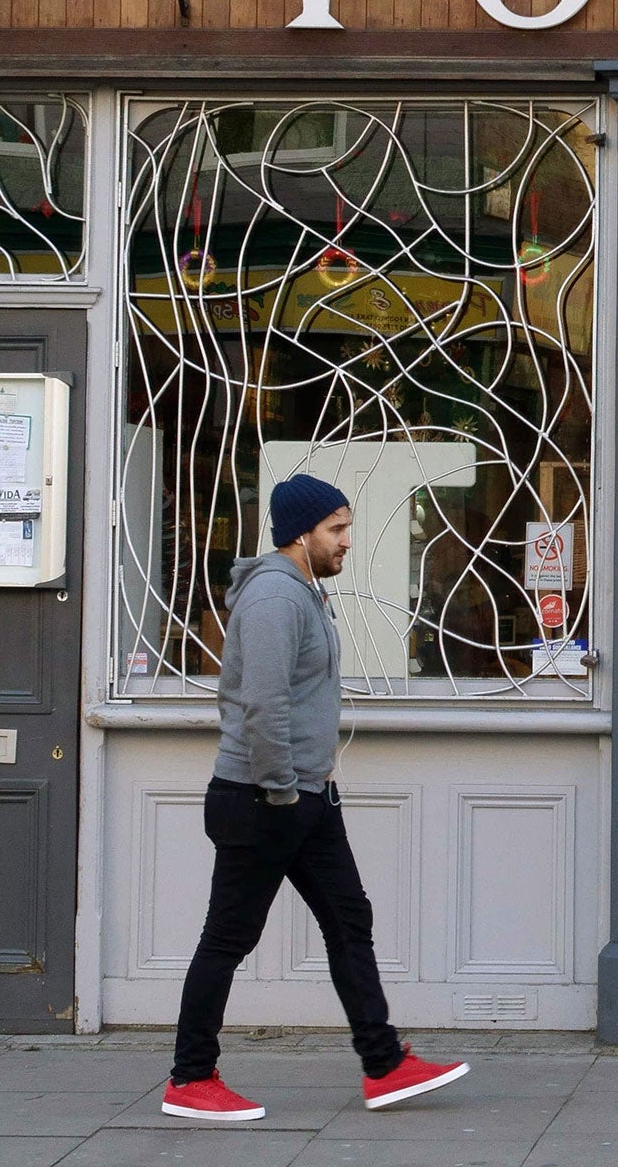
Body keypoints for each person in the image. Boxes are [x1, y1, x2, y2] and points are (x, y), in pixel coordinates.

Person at [162, 473, 468, 1122]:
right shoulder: (276, 597)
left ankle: (383, 1063)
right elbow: (262, 704)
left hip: (305, 795)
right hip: (263, 797)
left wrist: (307, 788)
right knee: (229, 937)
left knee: (348, 918)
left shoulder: (304, 590)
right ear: (301, 534)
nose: (346, 541)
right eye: (336, 529)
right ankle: (190, 1079)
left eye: (347, 527)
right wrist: (281, 792)